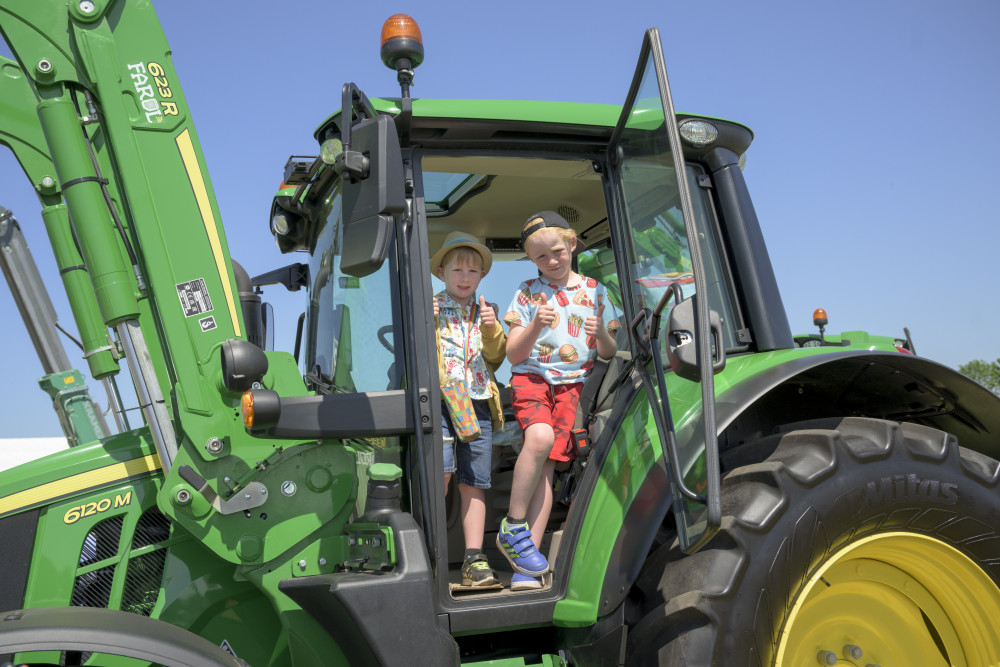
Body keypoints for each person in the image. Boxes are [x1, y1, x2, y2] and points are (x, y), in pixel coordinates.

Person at [498, 211, 619, 591]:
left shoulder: (596, 291)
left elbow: (609, 351)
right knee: (539, 439)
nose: (550, 262)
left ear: (571, 244)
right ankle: (513, 525)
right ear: (532, 262)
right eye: (540, 258)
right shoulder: (527, 292)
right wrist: (535, 324)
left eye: (556, 252)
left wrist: (601, 334)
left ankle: (527, 566)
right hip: (534, 379)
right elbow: (514, 356)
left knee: (547, 473)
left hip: (572, 388)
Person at [431, 231, 506, 588]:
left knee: (474, 481)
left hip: (476, 402)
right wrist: (422, 320)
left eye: (472, 272)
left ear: (481, 277)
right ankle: (429, 554)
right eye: (457, 270)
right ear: (442, 273)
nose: (464, 278)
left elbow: (495, 357)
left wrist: (492, 330)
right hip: (442, 401)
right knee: (441, 475)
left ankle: (474, 559)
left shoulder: (486, 313)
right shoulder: (430, 308)